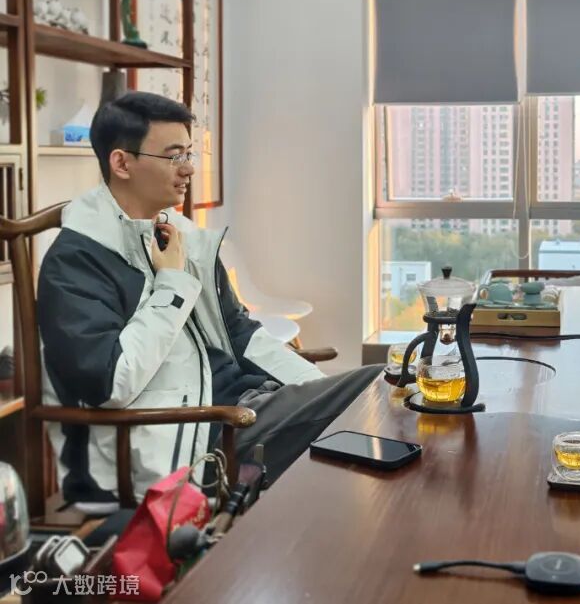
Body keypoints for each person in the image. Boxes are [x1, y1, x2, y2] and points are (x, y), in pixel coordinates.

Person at [37, 91, 381, 506]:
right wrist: (171, 284)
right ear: (122, 163)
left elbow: (241, 333)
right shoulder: (78, 260)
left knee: (382, 393)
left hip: (247, 406)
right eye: (173, 156)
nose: (188, 168)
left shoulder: (180, 237)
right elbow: (110, 383)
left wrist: (318, 389)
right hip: (204, 432)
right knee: (378, 388)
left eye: (189, 154)